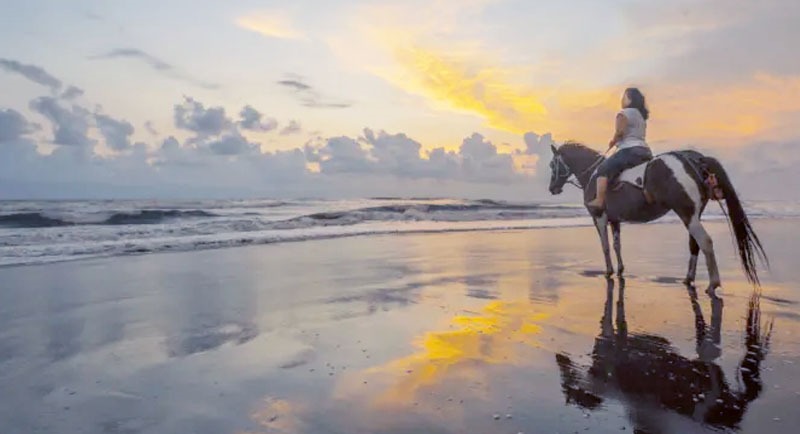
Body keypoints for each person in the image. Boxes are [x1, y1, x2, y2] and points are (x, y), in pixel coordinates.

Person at [585, 87, 653, 211]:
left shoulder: (624, 113)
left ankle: (599, 200)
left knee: (603, 168)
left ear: (630, 99)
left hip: (630, 150)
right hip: (645, 151)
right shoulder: (641, 117)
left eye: (624, 97)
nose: (622, 99)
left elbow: (620, 132)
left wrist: (613, 141)